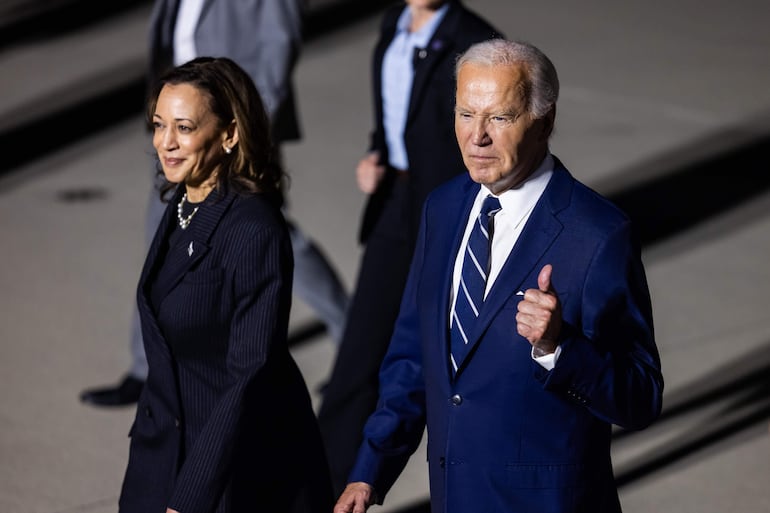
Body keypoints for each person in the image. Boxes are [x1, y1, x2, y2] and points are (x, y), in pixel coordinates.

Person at [333, 39, 664, 513]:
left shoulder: (598, 235)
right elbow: (413, 355)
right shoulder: (443, 208)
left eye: (500, 118)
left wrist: (558, 347)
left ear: (544, 121)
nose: (477, 137)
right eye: (466, 114)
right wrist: (370, 469)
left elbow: (640, 398)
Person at [80, 0, 349, 407]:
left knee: (272, 233)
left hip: (230, 130)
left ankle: (352, 338)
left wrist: (251, 132)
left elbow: (279, 44)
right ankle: (146, 367)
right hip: (181, 125)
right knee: (161, 235)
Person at [117, 57, 333, 513]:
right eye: (159, 125)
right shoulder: (184, 203)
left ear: (230, 134)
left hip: (230, 469)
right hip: (162, 450)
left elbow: (248, 374)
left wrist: (190, 496)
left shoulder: (253, 230)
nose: (166, 143)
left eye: (184, 127)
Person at [317, 0, 501, 495]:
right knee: (361, 346)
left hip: (445, 210)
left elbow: (489, 139)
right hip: (395, 201)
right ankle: (322, 484)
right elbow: (395, 115)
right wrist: (375, 154)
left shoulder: (477, 42)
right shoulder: (392, 25)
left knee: (444, 357)